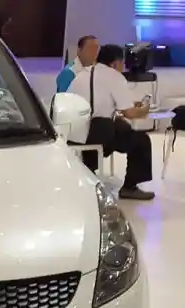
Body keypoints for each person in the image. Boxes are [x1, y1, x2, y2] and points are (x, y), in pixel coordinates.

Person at [67, 44, 155, 201]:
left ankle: (88, 171)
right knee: (141, 140)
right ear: (115, 63)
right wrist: (145, 110)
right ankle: (130, 187)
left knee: (118, 126)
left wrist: (126, 107)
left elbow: (98, 105)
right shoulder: (115, 77)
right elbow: (130, 113)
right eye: (122, 63)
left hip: (73, 134)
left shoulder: (81, 75)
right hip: (96, 134)